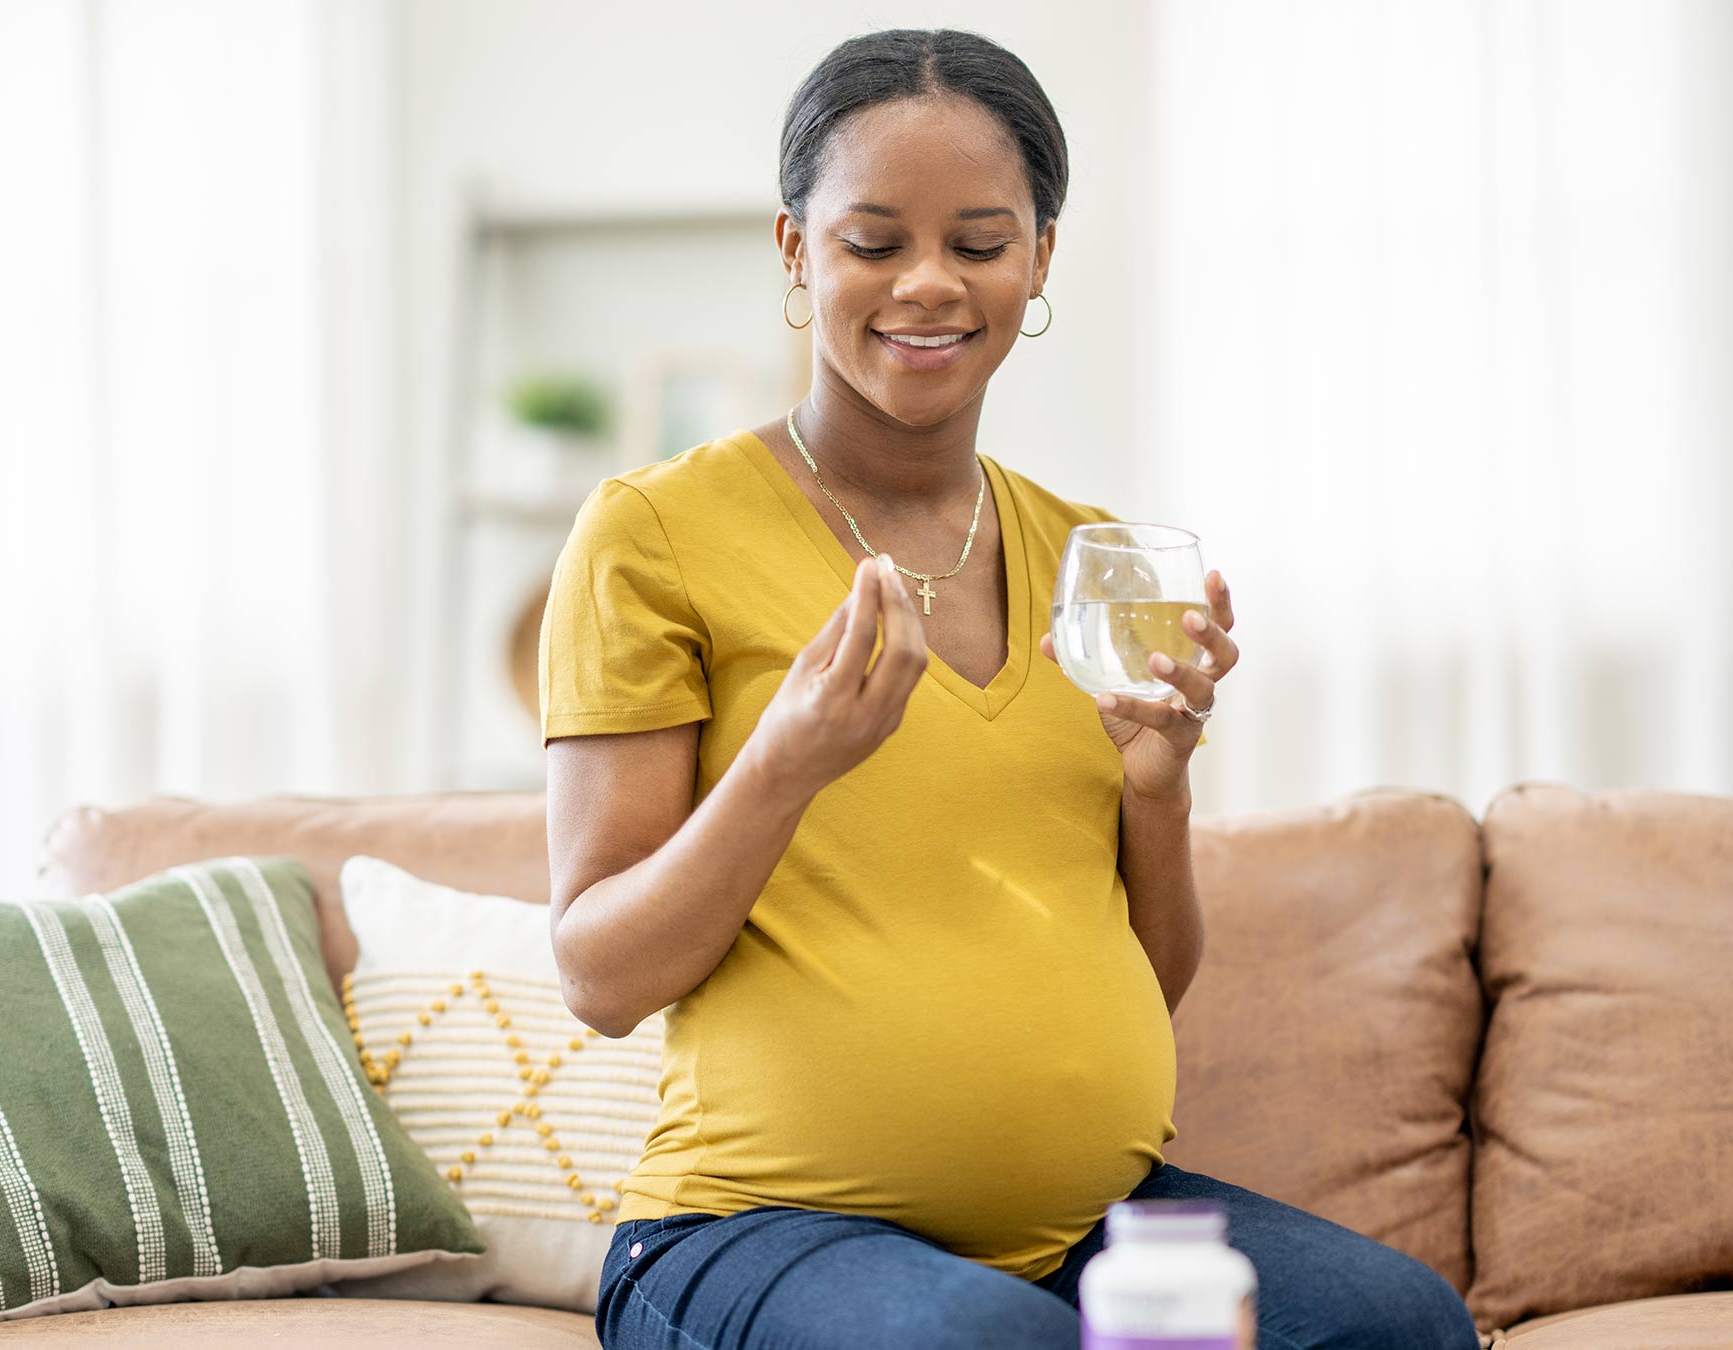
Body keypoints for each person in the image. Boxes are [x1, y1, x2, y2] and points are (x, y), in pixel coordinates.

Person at [539, 27, 1481, 1350]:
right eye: (875, 240)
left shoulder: (1094, 560)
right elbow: (598, 973)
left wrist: (1158, 788)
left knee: (1404, 1328)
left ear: (1038, 257)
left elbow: (1148, 974)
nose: (928, 283)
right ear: (795, 250)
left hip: (1081, 1227)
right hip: (747, 1226)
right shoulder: (651, 532)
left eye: (979, 242)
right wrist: (786, 764)